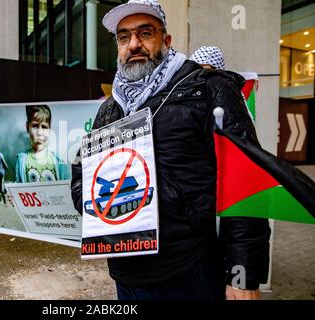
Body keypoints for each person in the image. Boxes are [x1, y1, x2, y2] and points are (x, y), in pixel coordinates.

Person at [71, 0, 270, 300]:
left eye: (145, 33)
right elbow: (81, 181)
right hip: (126, 276)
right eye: (124, 37)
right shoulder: (110, 110)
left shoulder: (207, 89)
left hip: (190, 271)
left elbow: (247, 184)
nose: (134, 44)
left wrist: (243, 275)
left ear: (166, 40)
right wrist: (98, 205)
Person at [14, 105, 70, 183]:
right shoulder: (21, 160)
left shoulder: (59, 162)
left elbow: (67, 189)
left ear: (49, 129)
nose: (39, 132)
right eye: (35, 126)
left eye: (44, 127)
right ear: (27, 127)